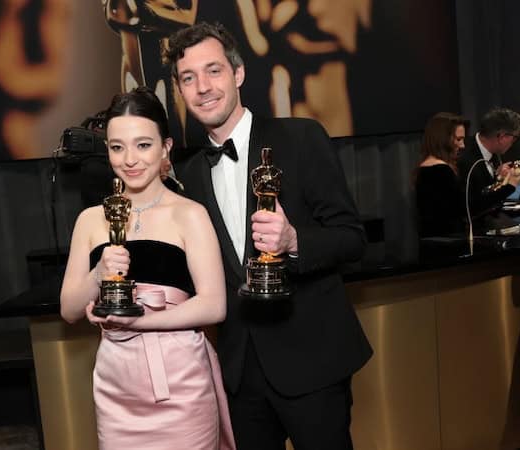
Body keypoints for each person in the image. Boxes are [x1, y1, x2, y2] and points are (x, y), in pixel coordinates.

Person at [166, 22, 372, 449]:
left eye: (213, 71)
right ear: (180, 92)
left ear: (238, 74)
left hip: (312, 362)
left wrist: (295, 241)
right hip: (240, 373)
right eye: (189, 78)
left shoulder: (300, 138)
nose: (203, 87)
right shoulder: (188, 175)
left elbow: (351, 238)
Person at [59, 87, 235, 449]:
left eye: (143, 145)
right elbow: (69, 310)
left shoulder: (190, 214)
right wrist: (98, 275)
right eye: (117, 147)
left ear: (165, 147)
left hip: (181, 382)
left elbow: (214, 306)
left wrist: (139, 321)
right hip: (116, 386)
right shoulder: (91, 220)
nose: (130, 160)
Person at [456, 107, 520, 224]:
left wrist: (497, 179)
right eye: (514, 138)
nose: (513, 143)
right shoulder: (464, 157)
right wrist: (510, 185)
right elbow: (471, 205)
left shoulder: (494, 152)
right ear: (502, 137)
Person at [415, 112, 470, 237]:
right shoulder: (440, 170)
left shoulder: (427, 168)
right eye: (458, 139)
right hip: (447, 247)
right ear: (443, 139)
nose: (463, 145)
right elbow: (465, 207)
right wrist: (508, 186)